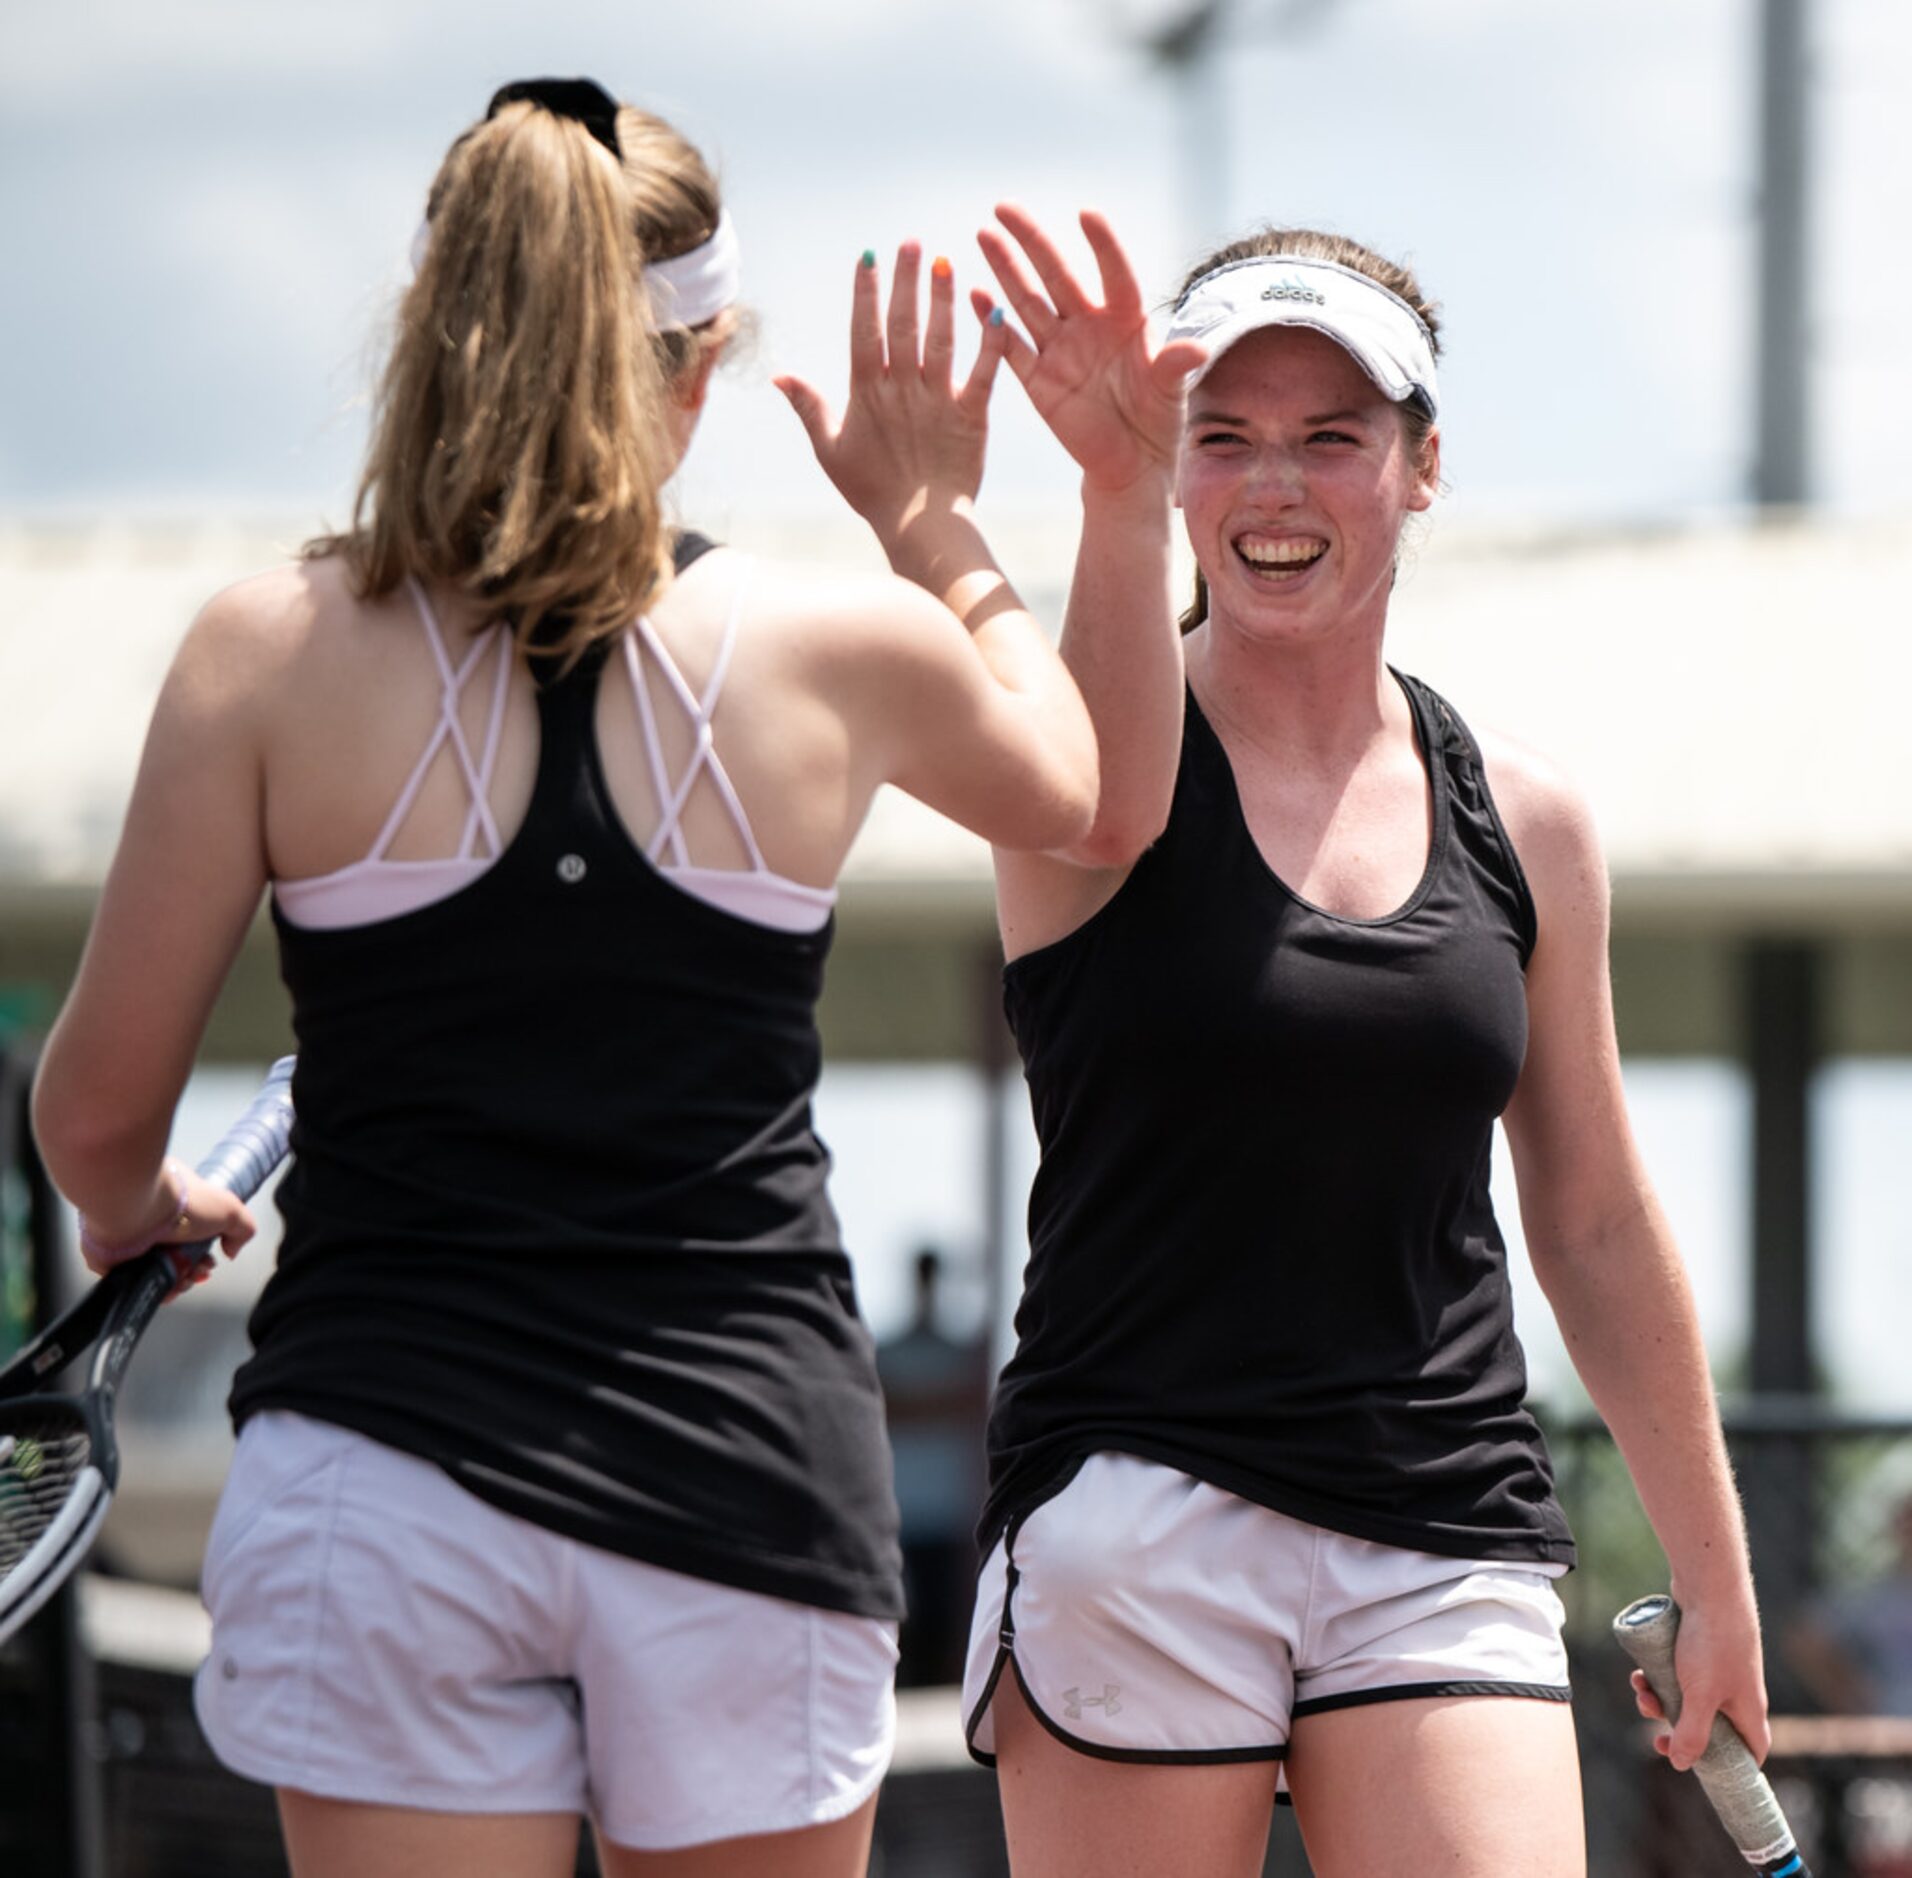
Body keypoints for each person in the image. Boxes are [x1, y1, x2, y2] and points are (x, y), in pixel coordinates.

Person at [30, 79, 1100, 1878]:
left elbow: (94, 1112)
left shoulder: (266, 651)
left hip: (382, 1476)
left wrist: (143, 1199)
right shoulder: (837, 646)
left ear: (441, 333)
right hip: (743, 1473)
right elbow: (1078, 786)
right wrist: (937, 528)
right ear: (702, 372)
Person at [945, 216, 1772, 1876]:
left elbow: (1593, 1214)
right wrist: (1069, 491)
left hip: (1440, 1518)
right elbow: (1025, 681)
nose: (1275, 487)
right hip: (1135, 1507)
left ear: (1419, 467)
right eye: (1222, 438)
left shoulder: (1525, 815)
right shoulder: (1079, 760)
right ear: (1167, 470)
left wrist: (1714, 1568)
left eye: (1333, 438)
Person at [874, 1246, 990, 1686]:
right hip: (904, 1507)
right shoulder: (894, 1350)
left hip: (949, 1508)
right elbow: (889, 1405)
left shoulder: (958, 1352)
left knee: (945, 1617)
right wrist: (946, 1400)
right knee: (907, 1622)